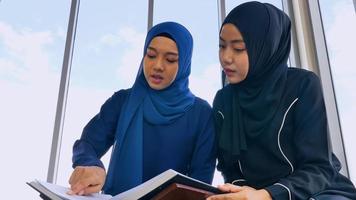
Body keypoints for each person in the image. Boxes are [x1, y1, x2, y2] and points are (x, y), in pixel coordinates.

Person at [208, 2, 356, 200]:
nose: (225, 57)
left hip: (319, 192)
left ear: (265, 47)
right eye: (221, 46)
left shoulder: (303, 85)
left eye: (238, 48)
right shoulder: (223, 101)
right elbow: (230, 168)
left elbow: (319, 167)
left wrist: (269, 195)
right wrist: (244, 193)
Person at [67, 22, 216, 196]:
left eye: (170, 59)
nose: (158, 65)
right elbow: (87, 143)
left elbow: (200, 183)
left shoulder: (202, 114)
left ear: (184, 63)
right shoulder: (122, 101)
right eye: (151, 55)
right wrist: (91, 164)